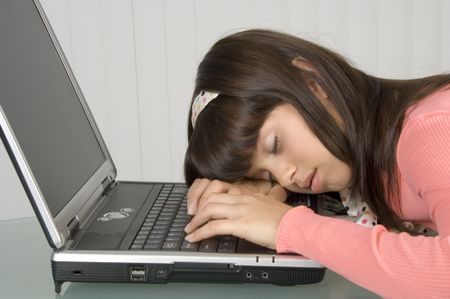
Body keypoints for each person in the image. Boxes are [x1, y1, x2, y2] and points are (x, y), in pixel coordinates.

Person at [183, 29, 450, 298]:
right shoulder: (373, 160)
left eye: (275, 144)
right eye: (266, 175)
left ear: (312, 82)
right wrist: (259, 197)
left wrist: (286, 225)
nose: (286, 177)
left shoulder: (430, 128)